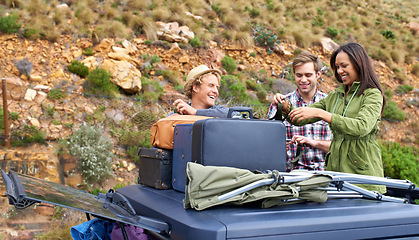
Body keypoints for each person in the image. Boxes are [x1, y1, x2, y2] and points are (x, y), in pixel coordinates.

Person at [274, 42, 386, 193]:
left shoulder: (372, 94)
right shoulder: (336, 96)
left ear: (358, 64)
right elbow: (301, 118)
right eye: (337, 67)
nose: (340, 71)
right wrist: (286, 107)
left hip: (362, 174)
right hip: (335, 171)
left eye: (344, 65)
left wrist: (322, 114)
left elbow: (361, 127)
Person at [268, 51, 332, 171]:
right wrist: (280, 147)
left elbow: (341, 148)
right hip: (290, 175)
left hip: (326, 174)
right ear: (294, 75)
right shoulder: (281, 103)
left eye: (308, 75)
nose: (303, 80)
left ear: (318, 74)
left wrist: (314, 143)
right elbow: (268, 145)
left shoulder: (332, 103)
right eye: (299, 75)